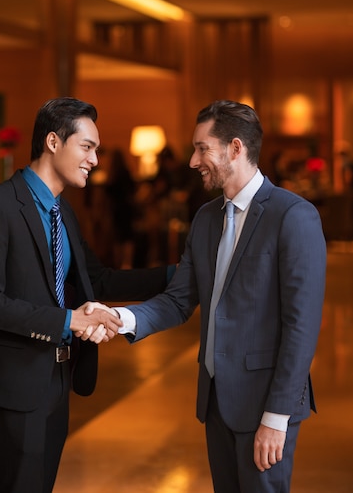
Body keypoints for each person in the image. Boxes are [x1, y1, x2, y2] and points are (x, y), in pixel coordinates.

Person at [93, 100, 327, 493]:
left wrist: (277, 416)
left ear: (236, 148)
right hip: (217, 401)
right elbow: (178, 300)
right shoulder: (206, 219)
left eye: (202, 148)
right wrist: (119, 319)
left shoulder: (293, 216)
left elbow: (301, 327)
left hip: (265, 405)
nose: (192, 161)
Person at [0, 97, 172, 493]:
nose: (94, 159)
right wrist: (68, 320)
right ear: (54, 142)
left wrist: (179, 277)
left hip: (59, 376)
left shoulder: (62, 211)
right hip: (17, 382)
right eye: (87, 147)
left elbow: (99, 281)